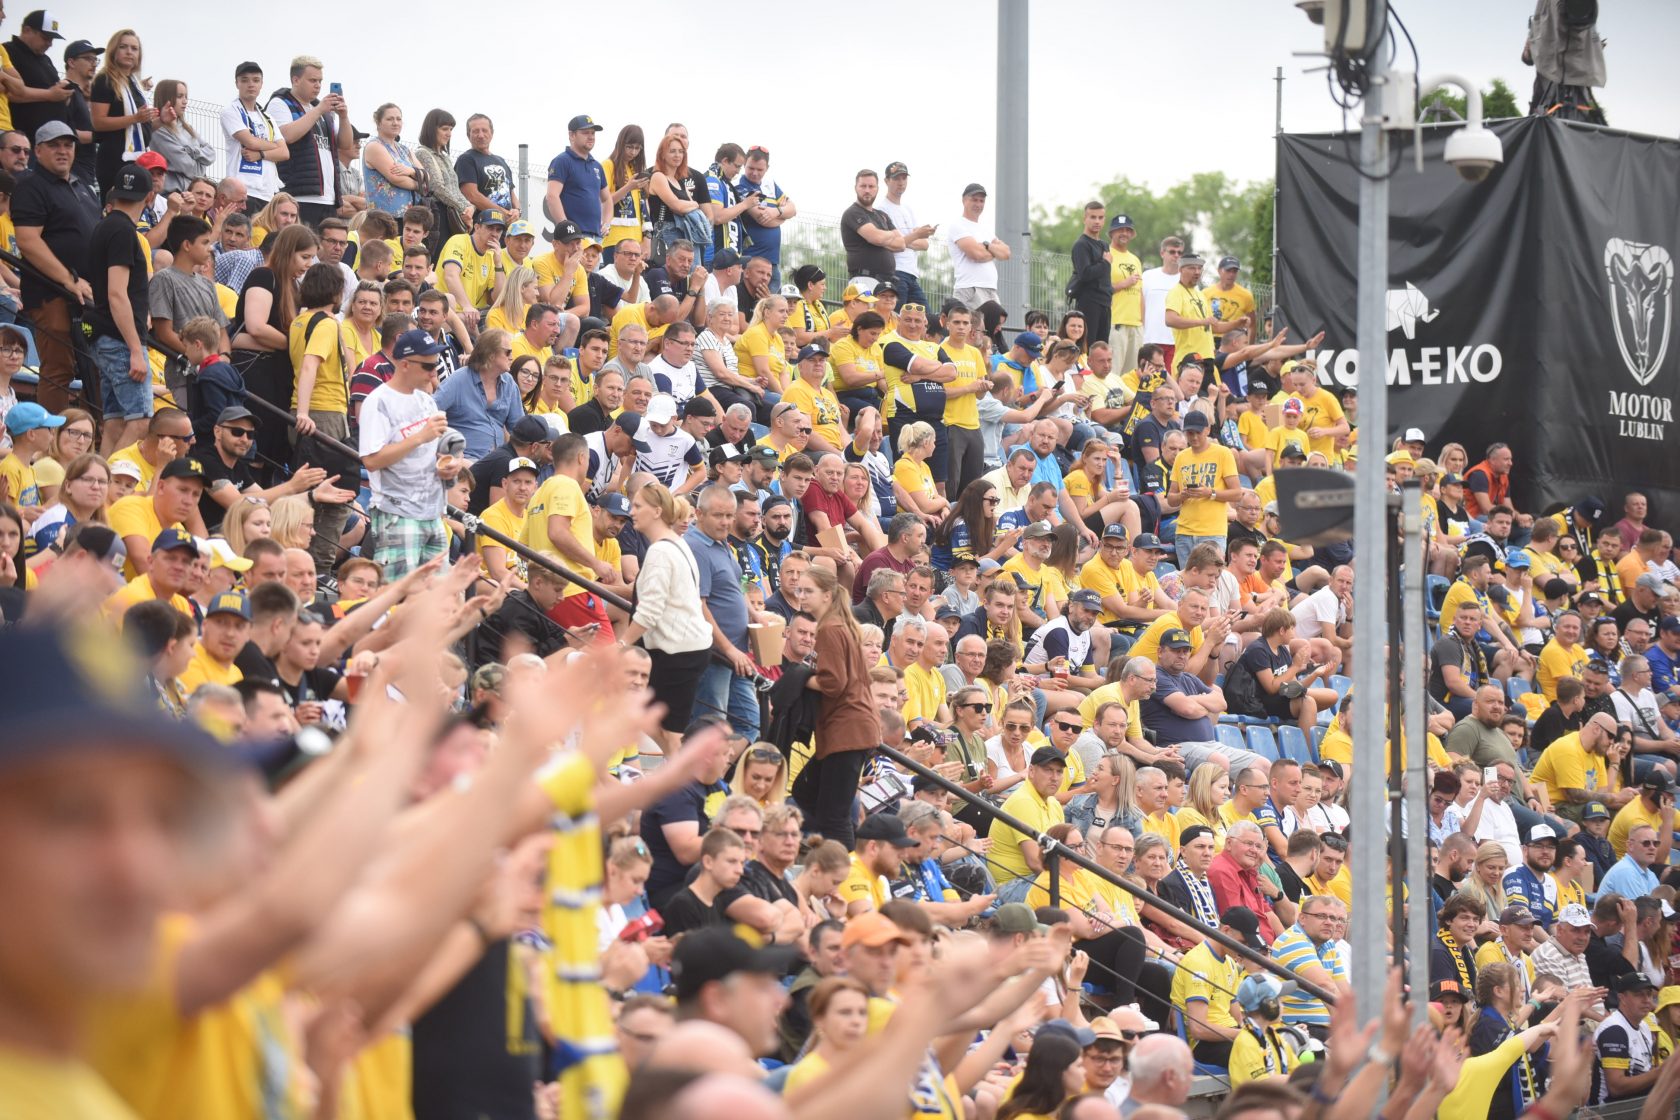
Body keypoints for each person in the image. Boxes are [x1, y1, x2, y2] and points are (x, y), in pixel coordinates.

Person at [357, 328, 462, 579]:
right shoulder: (378, 401)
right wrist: (419, 437)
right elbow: (371, 460)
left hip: (432, 513)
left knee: (436, 596)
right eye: (428, 366)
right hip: (397, 513)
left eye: (436, 364)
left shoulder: (427, 400)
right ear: (405, 364)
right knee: (398, 592)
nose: (434, 372)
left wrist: (448, 465)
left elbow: (431, 452)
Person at [791, 565, 882, 849]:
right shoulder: (840, 625)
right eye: (799, 590)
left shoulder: (829, 629)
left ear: (827, 596)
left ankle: (842, 866)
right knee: (806, 791)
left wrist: (799, 677)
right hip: (851, 729)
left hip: (846, 730)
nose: (801, 596)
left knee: (835, 816)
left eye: (808, 591)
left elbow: (833, 683)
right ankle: (825, 849)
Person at [947, 183, 1009, 309]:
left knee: (995, 322)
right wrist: (994, 252)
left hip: (990, 289)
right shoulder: (958, 225)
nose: (978, 204)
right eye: (974, 200)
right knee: (970, 322)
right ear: (964, 200)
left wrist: (986, 246)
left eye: (982, 201)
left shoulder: (986, 229)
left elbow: (1006, 253)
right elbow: (976, 254)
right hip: (970, 289)